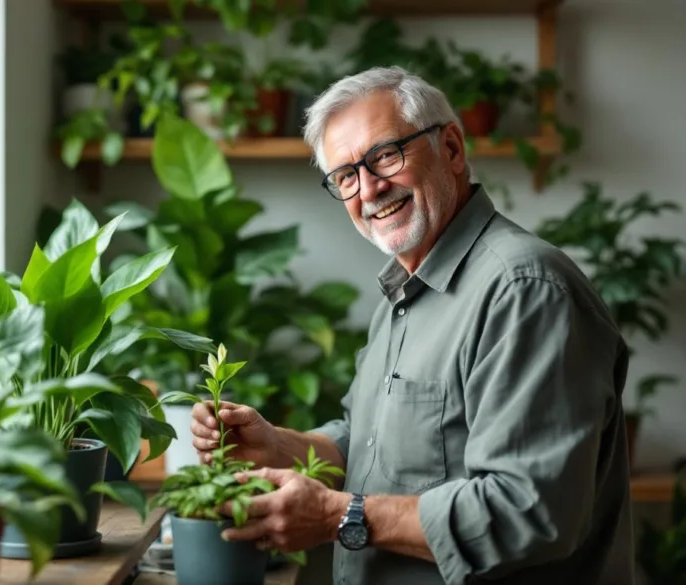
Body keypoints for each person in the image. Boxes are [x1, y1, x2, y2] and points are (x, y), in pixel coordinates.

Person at [190, 66, 635, 584]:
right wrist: (280, 445)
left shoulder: (524, 290)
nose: (370, 189)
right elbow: (372, 444)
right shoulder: (405, 291)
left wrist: (341, 515)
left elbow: (530, 512)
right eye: (346, 176)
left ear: (451, 148)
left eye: (385, 155)